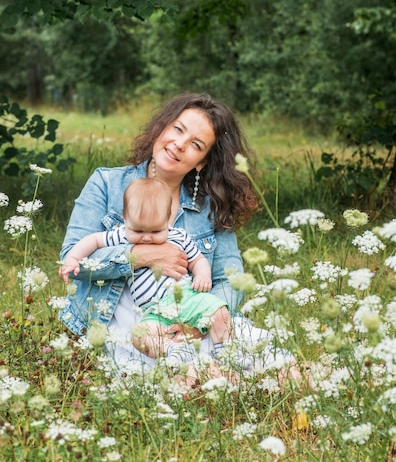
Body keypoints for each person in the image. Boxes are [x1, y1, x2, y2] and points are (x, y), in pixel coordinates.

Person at [58, 92, 292, 375]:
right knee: (161, 369)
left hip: (191, 314)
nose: (179, 144)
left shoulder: (209, 206)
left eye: (195, 144)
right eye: (177, 129)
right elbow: (72, 263)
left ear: (201, 162)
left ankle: (220, 362)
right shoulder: (107, 183)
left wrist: (197, 321)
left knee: (272, 365)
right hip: (126, 319)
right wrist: (140, 256)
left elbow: (230, 278)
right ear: (162, 128)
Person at [60, 177, 245, 368]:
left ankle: (227, 350)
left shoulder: (178, 236)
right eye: (138, 230)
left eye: (156, 231)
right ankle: (173, 352)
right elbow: (94, 240)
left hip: (186, 298)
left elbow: (197, 259)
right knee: (139, 336)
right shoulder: (123, 234)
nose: (146, 237)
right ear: (125, 218)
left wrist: (202, 275)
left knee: (219, 310)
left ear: (167, 219)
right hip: (153, 311)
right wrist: (73, 259)